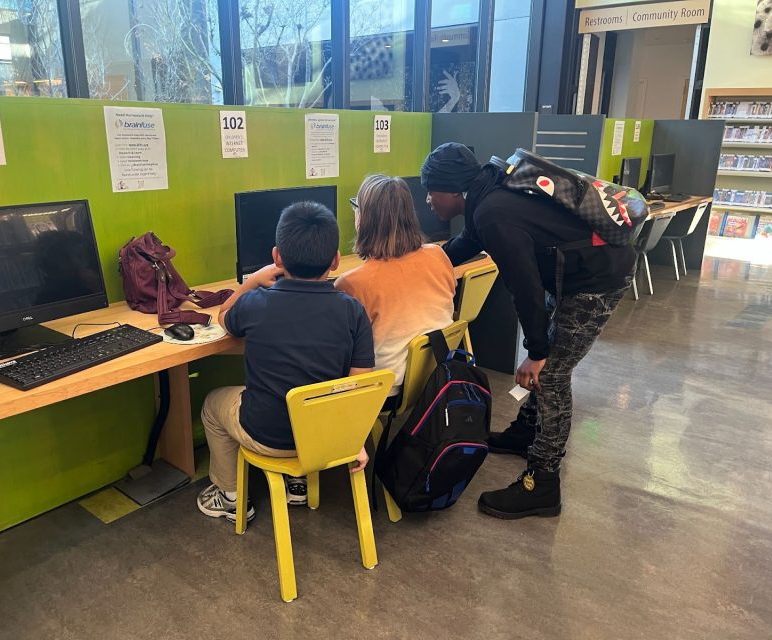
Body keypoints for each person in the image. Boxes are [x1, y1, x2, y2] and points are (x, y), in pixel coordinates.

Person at [421, 143, 636, 520]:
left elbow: (525, 288)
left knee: (551, 374)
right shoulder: (486, 194)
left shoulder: (492, 213)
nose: (427, 199)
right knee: (546, 360)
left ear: (453, 191)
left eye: (431, 189)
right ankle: (526, 432)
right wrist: (415, 259)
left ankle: (543, 484)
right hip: (571, 274)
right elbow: (463, 246)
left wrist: (536, 351)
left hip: (596, 278)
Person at [197, 201, 375, 522]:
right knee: (307, 391)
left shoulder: (256, 303)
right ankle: (298, 482)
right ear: (335, 261)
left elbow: (223, 316)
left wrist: (251, 281)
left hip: (266, 436)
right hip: (326, 441)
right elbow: (358, 386)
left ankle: (230, 496)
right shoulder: (352, 311)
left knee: (212, 404)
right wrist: (354, 440)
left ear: (277, 257)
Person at [334, 175, 456, 399]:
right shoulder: (438, 255)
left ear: (363, 219)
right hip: (436, 371)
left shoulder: (351, 284)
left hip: (388, 388)